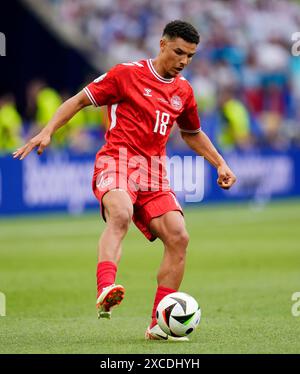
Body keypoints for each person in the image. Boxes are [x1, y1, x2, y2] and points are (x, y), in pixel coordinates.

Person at [13, 20, 236, 341]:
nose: (184, 61)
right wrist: (48, 131)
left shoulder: (183, 91)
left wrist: (219, 163)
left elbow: (192, 133)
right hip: (117, 159)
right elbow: (78, 100)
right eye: (178, 52)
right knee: (120, 213)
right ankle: (106, 287)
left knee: (179, 236)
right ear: (162, 45)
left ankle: (158, 325)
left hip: (154, 171)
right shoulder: (126, 74)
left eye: (190, 56)